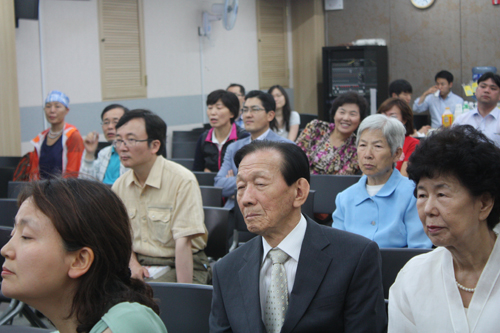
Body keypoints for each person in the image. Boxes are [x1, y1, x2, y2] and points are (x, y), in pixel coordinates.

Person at [209, 141, 387, 332]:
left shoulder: (355, 257)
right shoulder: (226, 269)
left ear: (299, 192)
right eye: (241, 186)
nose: (246, 199)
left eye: (260, 184)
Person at [1, 178, 167, 333]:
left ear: (80, 260)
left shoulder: (127, 324)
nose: (5, 250)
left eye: (26, 236)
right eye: (12, 234)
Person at [389, 125, 500, 332]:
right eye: (422, 195)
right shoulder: (414, 276)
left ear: (484, 203)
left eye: (442, 194)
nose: (428, 209)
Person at [112, 109, 210, 284]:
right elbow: (121, 238)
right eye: (119, 140)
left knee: (150, 297)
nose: (122, 147)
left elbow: (183, 244)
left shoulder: (182, 180)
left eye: (131, 140)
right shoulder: (120, 185)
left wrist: (183, 296)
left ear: (155, 145)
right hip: (138, 261)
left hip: (179, 262)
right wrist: (133, 266)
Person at [332, 114, 432, 248]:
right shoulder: (344, 198)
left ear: (396, 154)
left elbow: (419, 249)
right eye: (362, 145)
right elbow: (337, 250)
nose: (367, 154)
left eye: (377, 146)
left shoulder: (413, 194)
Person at [214, 90, 293, 209]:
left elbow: (283, 187)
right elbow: (219, 185)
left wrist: (238, 183)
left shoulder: (285, 147)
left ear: (270, 115)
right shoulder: (234, 147)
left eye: (255, 109)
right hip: (235, 211)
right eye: (245, 110)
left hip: (271, 210)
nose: (248, 115)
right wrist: (259, 182)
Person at [296, 91, 367, 175]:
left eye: (352, 114)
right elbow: (295, 157)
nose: (346, 118)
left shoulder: (357, 148)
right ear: (334, 114)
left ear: (360, 120)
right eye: (342, 112)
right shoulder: (316, 127)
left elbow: (342, 179)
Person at [28, 90, 84, 179]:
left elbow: (72, 174)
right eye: (48, 106)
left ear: (67, 110)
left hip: (64, 190)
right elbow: (34, 174)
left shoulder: (73, 135)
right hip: (42, 190)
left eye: (57, 106)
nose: (52, 110)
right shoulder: (40, 139)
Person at [192, 90, 248, 172]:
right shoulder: (204, 138)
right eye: (210, 108)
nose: (212, 113)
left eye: (219, 108)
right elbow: (197, 171)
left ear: (232, 113)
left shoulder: (242, 138)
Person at [79, 104, 129, 184]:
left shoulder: (134, 153)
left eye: (115, 122)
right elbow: (85, 184)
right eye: (106, 122)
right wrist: (89, 153)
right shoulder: (104, 153)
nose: (109, 127)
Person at [454, 72, 500, 147]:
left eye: (493, 88)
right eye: (483, 86)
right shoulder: (461, 120)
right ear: (476, 91)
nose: (487, 90)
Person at [377, 98, 419, 177]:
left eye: (393, 116)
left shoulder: (413, 144)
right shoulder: (374, 141)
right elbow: (366, 176)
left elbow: (404, 176)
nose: (387, 120)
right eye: (383, 116)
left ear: (404, 120)